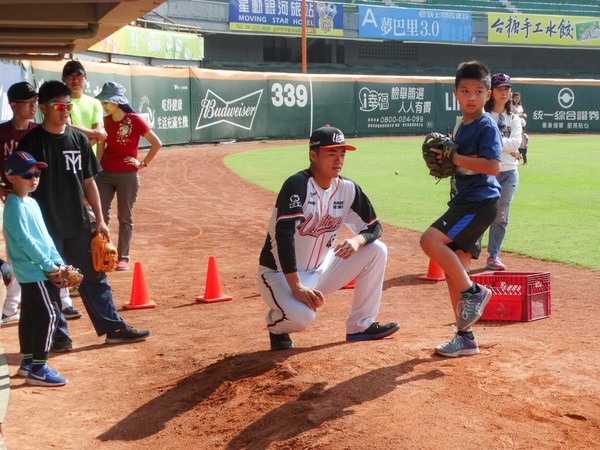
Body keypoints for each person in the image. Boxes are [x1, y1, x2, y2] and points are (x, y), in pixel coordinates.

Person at [17, 80, 150, 348]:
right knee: (53, 281)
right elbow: (23, 187)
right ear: (43, 108)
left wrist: (100, 219)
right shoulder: (32, 142)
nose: (64, 111)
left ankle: (112, 328)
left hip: (79, 222)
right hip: (46, 227)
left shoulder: (78, 139)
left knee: (94, 276)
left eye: (68, 106)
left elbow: (89, 181)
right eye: (58, 106)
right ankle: (58, 337)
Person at [257, 125, 399, 351]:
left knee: (377, 250)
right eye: (331, 153)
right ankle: (277, 327)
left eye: (342, 153)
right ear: (313, 155)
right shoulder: (297, 185)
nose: (339, 160)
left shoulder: (347, 189)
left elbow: (374, 227)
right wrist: (296, 287)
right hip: (279, 275)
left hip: (322, 269)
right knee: (302, 319)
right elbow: (284, 237)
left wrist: (357, 240)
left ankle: (360, 325)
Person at [420, 61, 502, 357]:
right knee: (456, 269)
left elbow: (493, 166)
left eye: (478, 91)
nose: (471, 97)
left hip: (478, 202)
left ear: (488, 94)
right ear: (455, 93)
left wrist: (455, 159)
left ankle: (474, 292)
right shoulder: (461, 124)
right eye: (465, 91)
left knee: (429, 241)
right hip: (468, 201)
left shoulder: (485, 125)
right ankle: (465, 336)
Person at [3, 151, 68, 386]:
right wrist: (49, 267)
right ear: (11, 177)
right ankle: (39, 369)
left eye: (37, 172)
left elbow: (45, 237)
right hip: (34, 271)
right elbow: (25, 241)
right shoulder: (14, 207)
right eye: (27, 174)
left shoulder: (31, 202)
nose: (34, 178)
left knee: (30, 315)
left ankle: (28, 362)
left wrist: (58, 262)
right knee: (50, 314)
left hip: (40, 269)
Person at [95, 82, 162, 271]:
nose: (105, 105)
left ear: (118, 102)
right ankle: (104, 253)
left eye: (108, 101)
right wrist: (95, 171)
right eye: (104, 102)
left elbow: (156, 143)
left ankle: (123, 256)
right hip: (105, 175)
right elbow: (100, 151)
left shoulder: (134, 120)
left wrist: (142, 163)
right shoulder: (104, 122)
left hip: (127, 176)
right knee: (101, 216)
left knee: (125, 217)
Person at [0, 81, 39, 325]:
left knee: (45, 246)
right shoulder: (2, 133)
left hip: (37, 200)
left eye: (36, 102)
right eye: (29, 102)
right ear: (14, 105)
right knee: (18, 250)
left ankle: (64, 299)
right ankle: (11, 305)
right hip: (12, 200)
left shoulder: (39, 130)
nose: (34, 106)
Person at [483, 73, 523, 271]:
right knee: (480, 213)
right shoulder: (484, 115)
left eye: (506, 88)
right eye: (500, 89)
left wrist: (496, 145)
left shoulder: (514, 117)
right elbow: (484, 142)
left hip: (509, 172)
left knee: (501, 216)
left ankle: (493, 256)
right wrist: (508, 148)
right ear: (491, 92)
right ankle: (466, 254)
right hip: (488, 171)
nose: (504, 92)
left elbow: (517, 141)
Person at [511, 91, 529, 165]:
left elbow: (522, 113)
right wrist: (519, 115)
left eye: (518, 98)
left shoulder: (520, 106)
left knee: (522, 139)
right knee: (516, 138)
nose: (517, 99)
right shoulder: (511, 105)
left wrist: (524, 115)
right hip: (514, 123)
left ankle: (521, 156)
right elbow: (511, 114)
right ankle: (517, 155)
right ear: (513, 98)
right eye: (515, 98)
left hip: (521, 123)